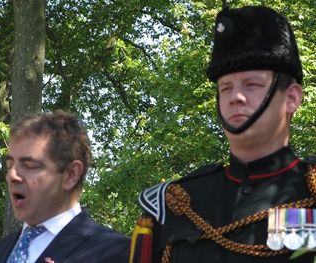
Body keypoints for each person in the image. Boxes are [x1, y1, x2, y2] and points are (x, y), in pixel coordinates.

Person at [129, 4, 316, 263]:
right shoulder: (173, 205)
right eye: (225, 88)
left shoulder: (310, 193)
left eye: (252, 85)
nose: (235, 97)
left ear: (292, 98)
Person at [0, 110, 129, 263]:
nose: (12, 175)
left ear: (71, 174)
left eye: (30, 165)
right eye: (10, 165)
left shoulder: (117, 253)